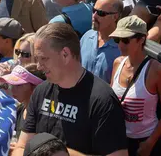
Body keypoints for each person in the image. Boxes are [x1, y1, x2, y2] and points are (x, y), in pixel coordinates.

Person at [12, 22, 128, 156]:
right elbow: (20, 148)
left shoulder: (102, 99)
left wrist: (53, 152)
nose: (38, 66)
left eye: (44, 58)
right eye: (37, 59)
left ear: (65, 54)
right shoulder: (41, 92)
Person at [109, 16, 161, 156]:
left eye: (125, 40)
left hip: (145, 142)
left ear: (141, 39)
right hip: (120, 141)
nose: (120, 45)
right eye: (117, 40)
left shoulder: (157, 70)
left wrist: (150, 143)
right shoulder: (117, 63)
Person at [0, 63, 46, 139]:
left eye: (18, 85)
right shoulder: (18, 111)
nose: (12, 89)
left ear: (36, 87)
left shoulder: (43, 116)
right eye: (11, 84)